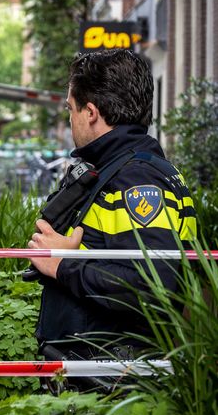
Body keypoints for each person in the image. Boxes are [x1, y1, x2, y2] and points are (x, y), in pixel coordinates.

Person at [27, 49, 196, 364]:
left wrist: (64, 265)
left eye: (71, 109)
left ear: (91, 112)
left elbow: (153, 286)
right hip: (97, 370)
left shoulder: (137, 179)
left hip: (111, 379)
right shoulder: (118, 169)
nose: (70, 119)